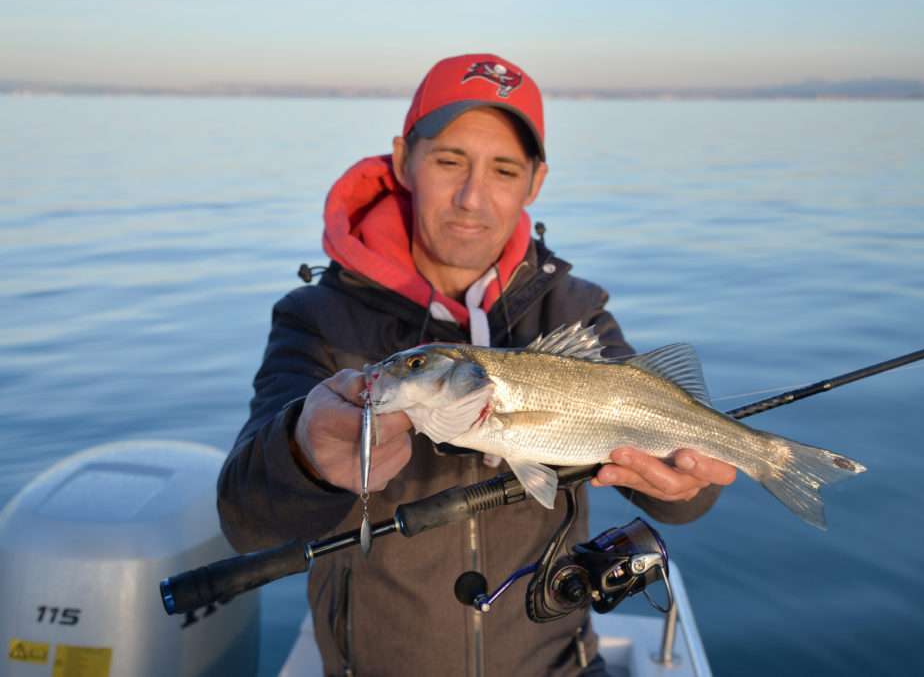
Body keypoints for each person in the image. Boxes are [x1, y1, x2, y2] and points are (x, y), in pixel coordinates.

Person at [217, 53, 736, 677]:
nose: (471, 198)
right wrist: (304, 454)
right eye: (448, 161)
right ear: (404, 157)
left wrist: (685, 486)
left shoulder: (575, 312)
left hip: (558, 664)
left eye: (503, 169)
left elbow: (673, 487)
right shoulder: (319, 319)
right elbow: (245, 519)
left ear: (535, 182)